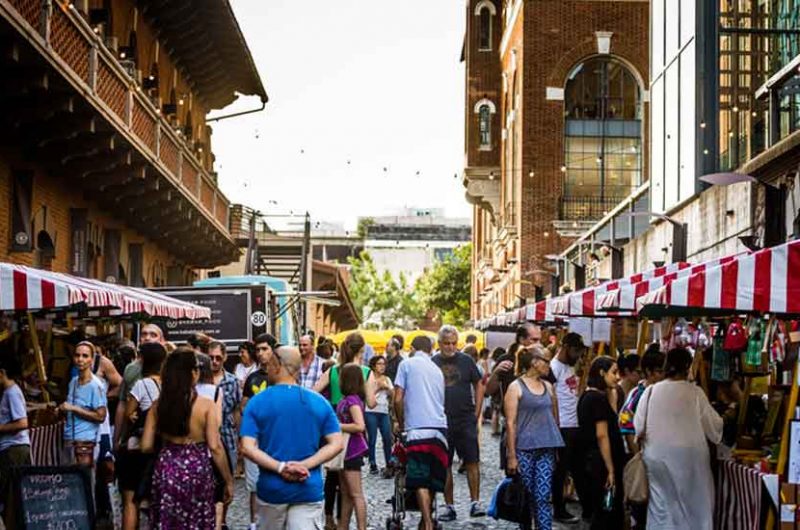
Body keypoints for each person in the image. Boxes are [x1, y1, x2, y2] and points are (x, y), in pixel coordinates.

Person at [240, 346, 343, 529]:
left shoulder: (257, 402)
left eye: (270, 362)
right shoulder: (319, 402)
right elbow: (336, 443)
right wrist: (305, 465)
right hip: (308, 488)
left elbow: (247, 447)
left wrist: (280, 467)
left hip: (271, 489)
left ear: (276, 365)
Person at [141, 347, 233, 528]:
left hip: (167, 467)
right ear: (193, 373)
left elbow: (145, 446)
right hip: (197, 469)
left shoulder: (158, 406)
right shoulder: (206, 405)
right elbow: (215, 446)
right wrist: (228, 480)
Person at [633, 348, 723, 530]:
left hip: (657, 457)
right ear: (688, 366)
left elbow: (638, 426)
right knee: (695, 505)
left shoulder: (650, 392)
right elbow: (714, 427)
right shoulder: (695, 393)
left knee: (662, 506)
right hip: (692, 459)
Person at [505, 347, 564, 530]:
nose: (549, 366)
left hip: (546, 447)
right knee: (526, 497)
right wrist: (512, 456)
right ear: (534, 362)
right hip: (524, 449)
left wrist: (557, 445)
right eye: (546, 361)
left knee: (543, 496)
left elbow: (555, 418)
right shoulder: (515, 387)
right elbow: (510, 423)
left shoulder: (548, 387)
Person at [394, 335, 448, 530]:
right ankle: (427, 519)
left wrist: (401, 423)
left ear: (412, 348)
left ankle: (426, 522)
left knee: (419, 478)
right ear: (431, 348)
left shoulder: (406, 364)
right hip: (440, 429)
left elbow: (398, 398)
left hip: (417, 428)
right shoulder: (437, 369)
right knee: (433, 478)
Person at [432, 324, 486, 521]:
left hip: (465, 418)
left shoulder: (466, 360)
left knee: (472, 460)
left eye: (454, 343)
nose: (451, 347)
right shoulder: (433, 361)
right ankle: (449, 505)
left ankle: (475, 501)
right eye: (446, 343)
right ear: (440, 343)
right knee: (445, 463)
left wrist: (477, 411)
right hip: (442, 420)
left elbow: (479, 384)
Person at [118, 342, 166, 530]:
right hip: (159, 448)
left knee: (130, 500)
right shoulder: (168, 385)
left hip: (137, 448)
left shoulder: (141, 384)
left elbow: (129, 414)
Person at [617, 345, 665, 530]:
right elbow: (626, 425)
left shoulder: (660, 392)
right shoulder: (639, 394)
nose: (663, 375)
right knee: (641, 504)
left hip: (655, 458)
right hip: (642, 458)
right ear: (649, 372)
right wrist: (640, 457)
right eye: (660, 371)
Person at [577, 356, 625, 530]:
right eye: (614, 372)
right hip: (602, 462)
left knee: (605, 508)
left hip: (596, 460)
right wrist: (610, 469)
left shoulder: (590, 395)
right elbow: (602, 435)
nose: (618, 377)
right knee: (607, 510)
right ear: (601, 372)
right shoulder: (596, 399)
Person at [549, 332, 588, 523]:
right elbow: (551, 398)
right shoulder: (554, 368)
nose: (578, 355)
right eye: (575, 351)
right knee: (561, 470)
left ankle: (586, 506)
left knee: (577, 468)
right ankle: (558, 508)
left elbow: (575, 394)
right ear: (565, 347)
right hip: (562, 425)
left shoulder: (570, 367)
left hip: (574, 424)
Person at [241, 333, 278, 530]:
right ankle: (254, 522)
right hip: (255, 438)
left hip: (275, 438)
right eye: (258, 350)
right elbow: (243, 406)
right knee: (254, 485)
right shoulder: (252, 378)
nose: (261, 353)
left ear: (274, 350)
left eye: (265, 349)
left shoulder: (281, 377)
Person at [60, 342, 108, 487]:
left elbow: (101, 416)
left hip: (85, 442)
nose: (80, 359)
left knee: (85, 487)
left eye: (85, 356)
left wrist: (73, 409)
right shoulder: (73, 382)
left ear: (91, 360)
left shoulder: (96, 385)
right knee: (69, 486)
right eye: (77, 355)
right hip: (69, 439)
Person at [114, 323, 164, 451]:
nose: (147, 338)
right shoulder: (130, 368)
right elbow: (123, 404)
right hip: (136, 434)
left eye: (153, 335)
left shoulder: (169, 366)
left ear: (162, 341)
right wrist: (117, 439)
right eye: (144, 334)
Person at [209, 340, 242, 529]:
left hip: (227, 435)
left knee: (227, 479)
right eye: (211, 357)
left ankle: (222, 520)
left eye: (218, 358)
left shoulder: (232, 381)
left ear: (224, 358)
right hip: (205, 438)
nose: (214, 361)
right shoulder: (199, 380)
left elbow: (237, 409)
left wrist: (239, 437)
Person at [336, 364, 369, 530]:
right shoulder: (346, 400)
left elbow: (359, 426)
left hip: (352, 450)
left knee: (355, 493)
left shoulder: (353, 401)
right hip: (344, 450)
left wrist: (338, 425)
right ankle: (343, 526)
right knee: (345, 493)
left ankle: (361, 527)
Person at [0, 355, 30, 528]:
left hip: (14, 448)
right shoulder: (7, 393)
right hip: (10, 448)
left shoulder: (12, 392)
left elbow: (22, 422)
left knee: (10, 494)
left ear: (2, 373)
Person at [365, 355, 394, 476]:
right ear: (373, 365)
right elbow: (368, 395)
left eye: (383, 364)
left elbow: (393, 393)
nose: (382, 367)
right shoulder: (369, 378)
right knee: (372, 438)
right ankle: (372, 463)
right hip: (371, 410)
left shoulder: (387, 378)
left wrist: (387, 387)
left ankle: (389, 462)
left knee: (387, 437)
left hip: (384, 410)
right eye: (379, 364)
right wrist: (378, 387)